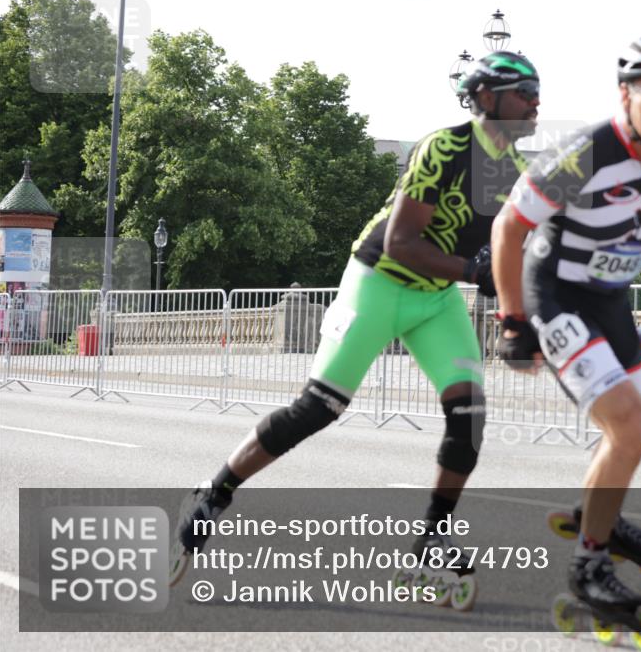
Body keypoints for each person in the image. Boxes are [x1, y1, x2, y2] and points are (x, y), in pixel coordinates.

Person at [171, 51, 542, 600]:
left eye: (538, 92)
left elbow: (512, 257)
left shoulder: (517, 174)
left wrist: (520, 317)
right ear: (487, 98)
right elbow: (401, 242)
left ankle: (432, 539)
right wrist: (473, 269)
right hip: (380, 281)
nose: (536, 102)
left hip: (435, 300)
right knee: (318, 409)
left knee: (468, 415)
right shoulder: (443, 148)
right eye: (524, 92)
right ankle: (214, 491)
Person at [491, 36, 641, 621]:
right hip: (555, 293)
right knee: (630, 427)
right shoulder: (583, 153)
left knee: (634, 427)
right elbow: (509, 230)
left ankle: (596, 516)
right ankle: (589, 565)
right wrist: (513, 324)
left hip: (611, 297)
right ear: (625, 95)